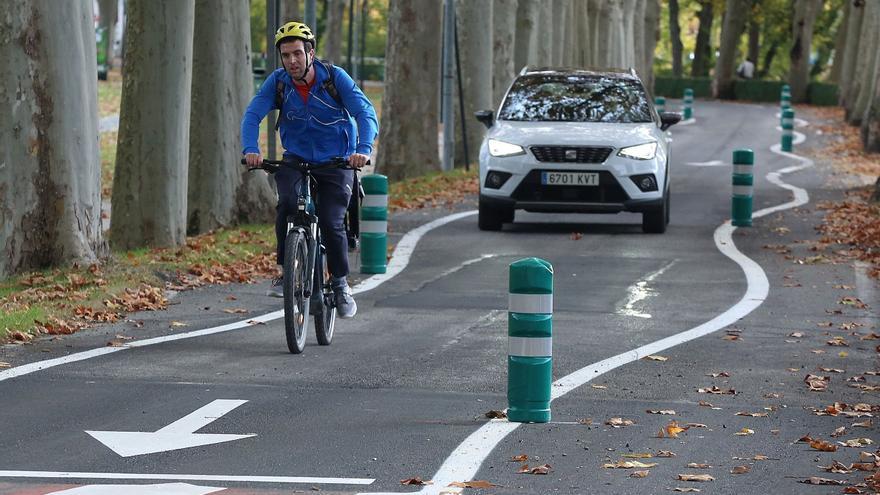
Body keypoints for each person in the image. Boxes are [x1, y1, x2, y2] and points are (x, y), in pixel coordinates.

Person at [240, 21, 378, 319]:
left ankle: (340, 282)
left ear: (310, 53)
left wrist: (363, 150)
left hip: (337, 160)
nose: (292, 61)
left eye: (297, 54)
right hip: (297, 158)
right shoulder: (278, 83)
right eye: (286, 55)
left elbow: (365, 112)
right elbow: (253, 114)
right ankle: (285, 270)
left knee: (330, 220)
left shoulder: (334, 78)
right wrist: (251, 149)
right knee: (287, 204)